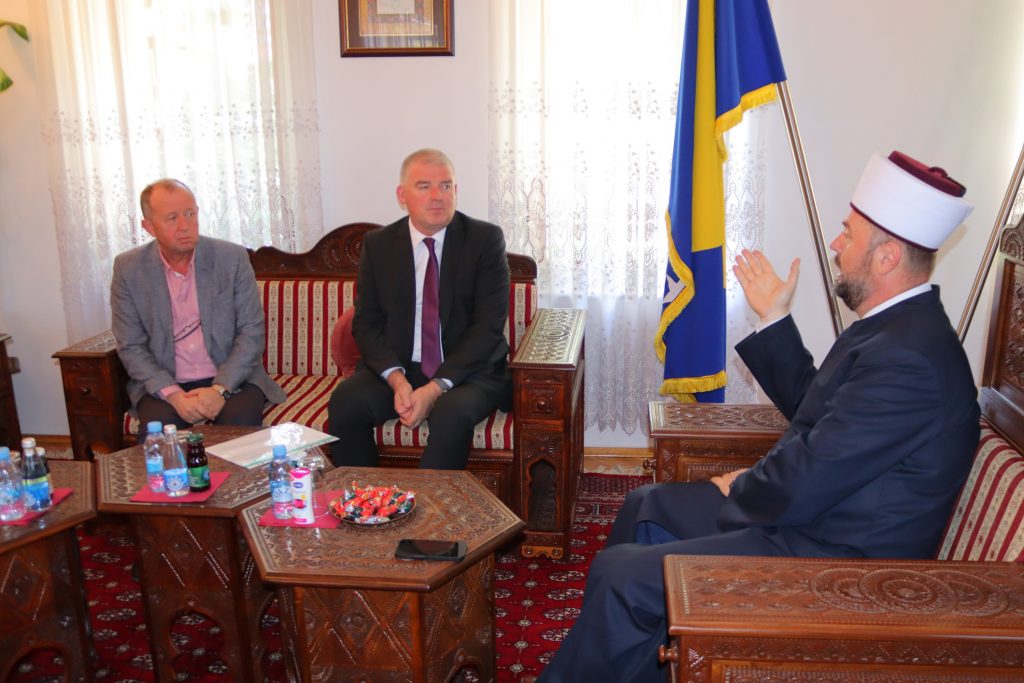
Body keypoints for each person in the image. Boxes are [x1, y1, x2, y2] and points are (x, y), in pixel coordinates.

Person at [533, 151, 980, 683]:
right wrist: (774, 318)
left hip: (840, 562)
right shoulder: (896, 328)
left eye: (848, 234)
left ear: (886, 258)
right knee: (645, 504)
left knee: (621, 576)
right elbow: (820, 409)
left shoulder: (911, 358)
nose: (836, 244)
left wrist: (741, 486)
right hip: (818, 516)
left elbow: (810, 475)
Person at [327, 149, 512, 469]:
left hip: (469, 372)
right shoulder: (379, 245)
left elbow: (488, 329)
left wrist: (435, 388)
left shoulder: (484, 240)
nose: (437, 195)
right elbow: (366, 324)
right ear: (402, 196)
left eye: (446, 185)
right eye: (424, 186)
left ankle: (431, 503)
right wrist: (398, 381)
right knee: (346, 401)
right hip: (402, 367)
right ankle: (363, 495)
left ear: (456, 191)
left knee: (450, 414)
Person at [111, 178, 286, 438]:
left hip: (233, 379)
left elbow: (251, 332)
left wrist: (219, 389)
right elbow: (131, 345)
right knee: (159, 442)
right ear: (149, 227)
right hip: (166, 383)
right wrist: (173, 395)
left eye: (190, 214)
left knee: (238, 433)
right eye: (172, 218)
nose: (184, 225)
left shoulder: (231, 258)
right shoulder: (129, 269)